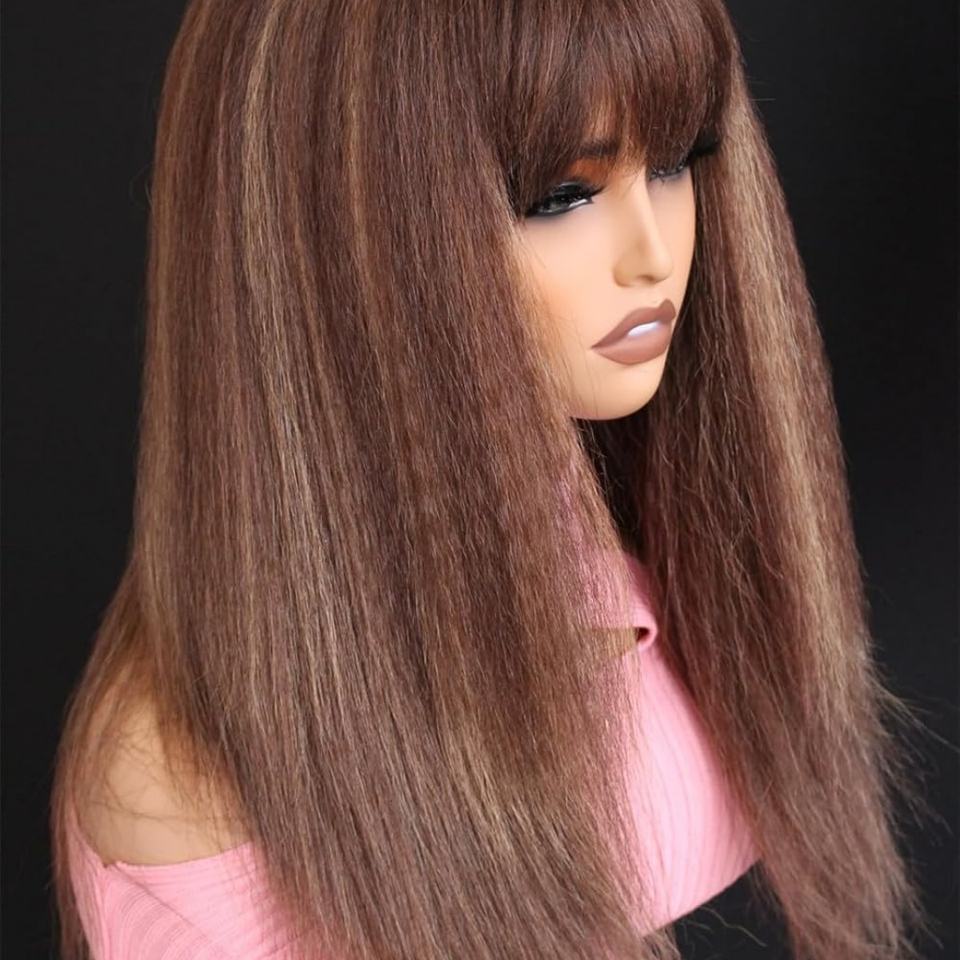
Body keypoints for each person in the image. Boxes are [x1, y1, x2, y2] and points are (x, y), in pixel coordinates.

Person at [49, 1, 936, 958]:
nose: (653, 254)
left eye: (674, 162)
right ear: (339, 233)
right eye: (560, 196)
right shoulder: (185, 794)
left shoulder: (625, 531)